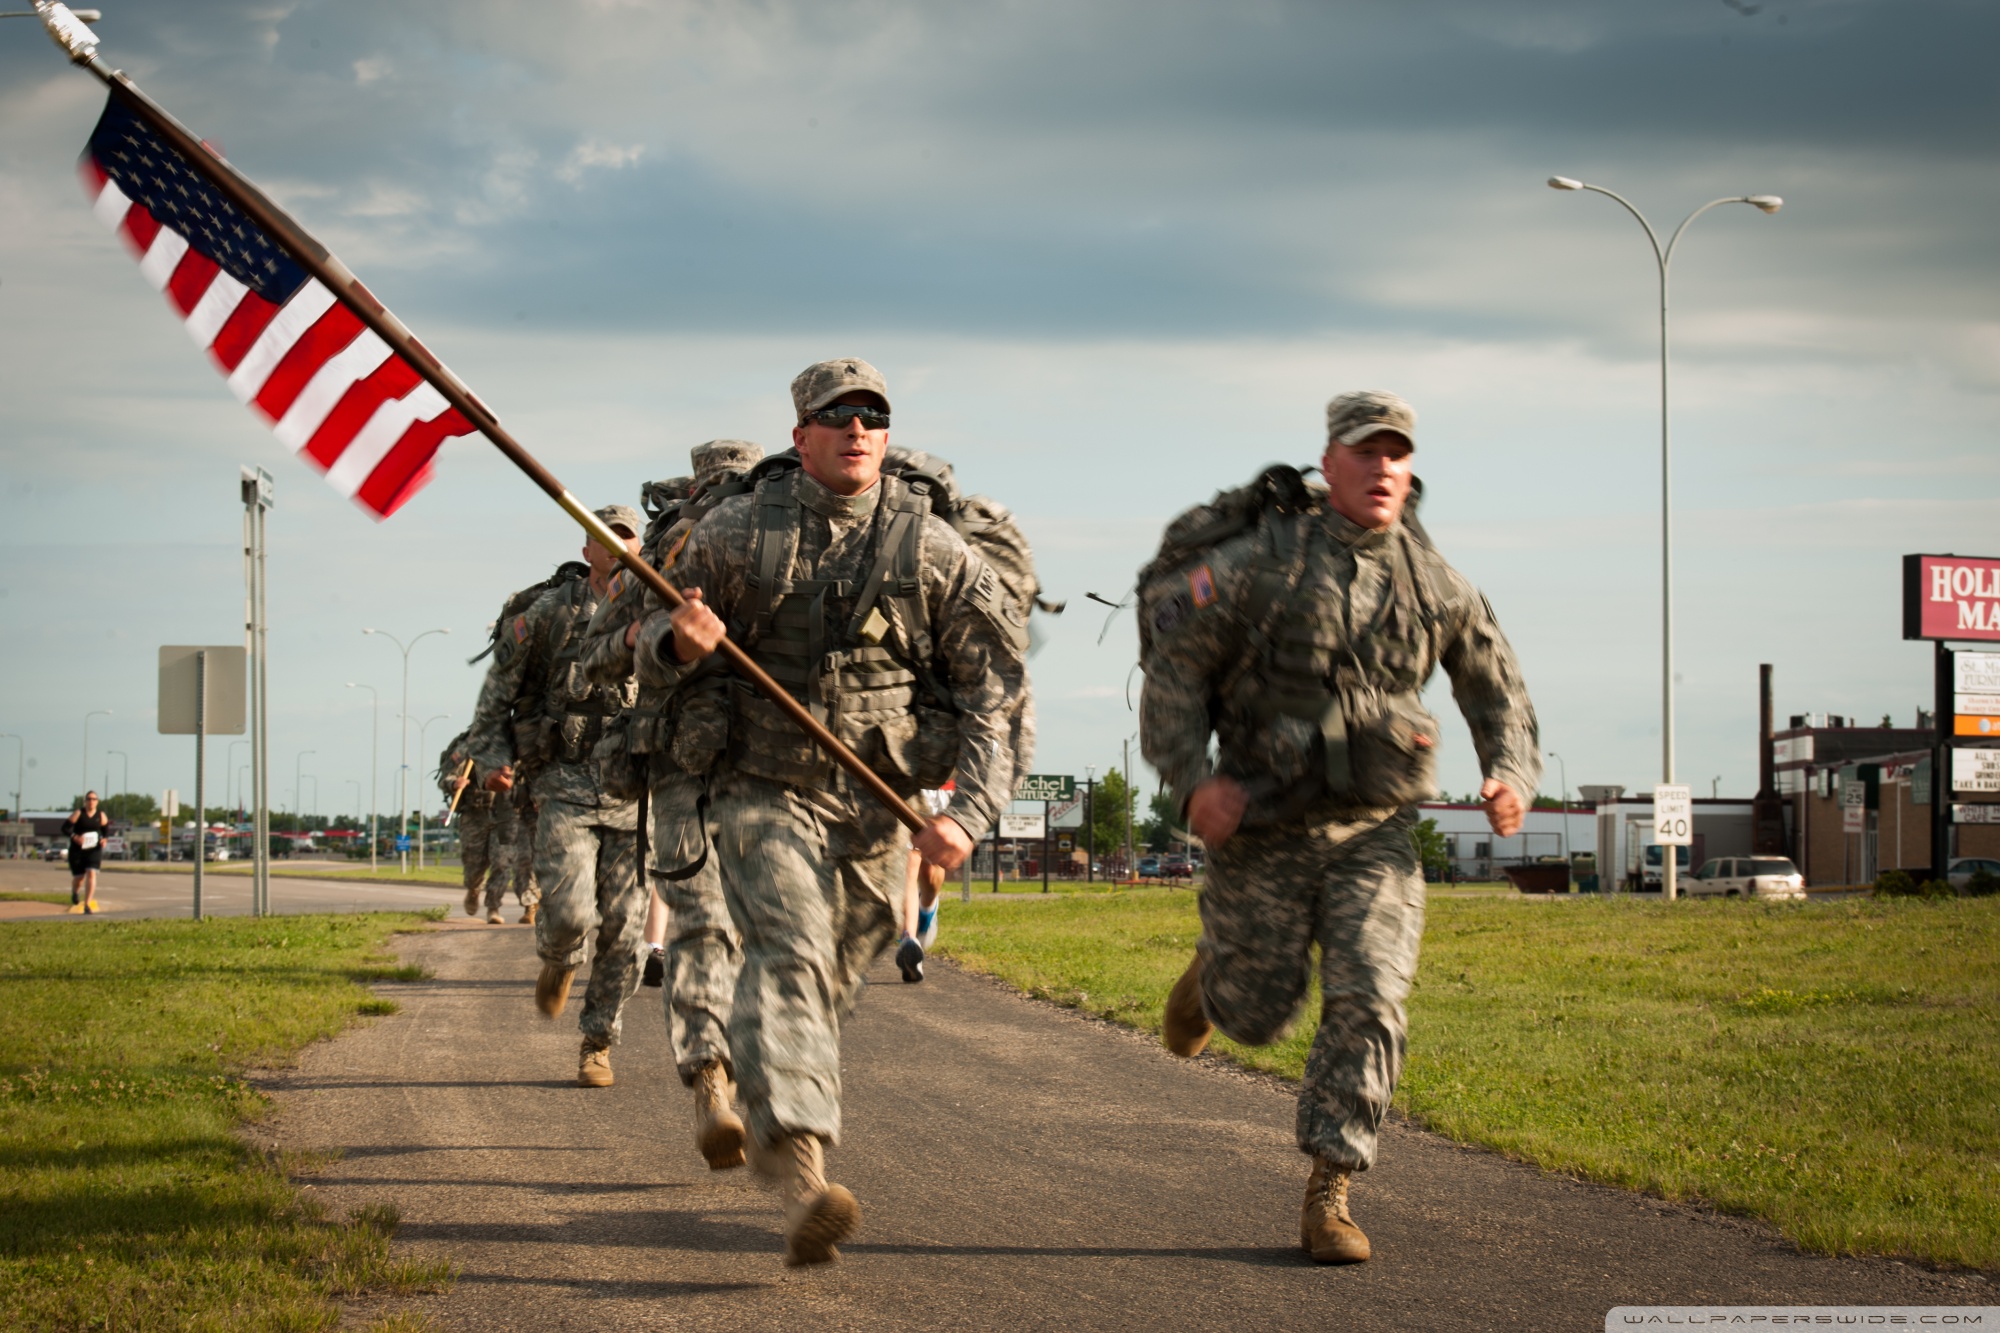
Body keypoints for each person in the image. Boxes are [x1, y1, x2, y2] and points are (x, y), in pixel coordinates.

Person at [630, 358, 1029, 1265]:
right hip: (760, 790)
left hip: (875, 806)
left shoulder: (934, 550)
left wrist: (966, 816)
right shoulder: (732, 534)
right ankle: (805, 1167)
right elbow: (642, 643)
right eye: (837, 415)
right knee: (793, 948)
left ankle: (766, 1103)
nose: (857, 428)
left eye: (873, 416)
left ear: (886, 437)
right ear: (800, 434)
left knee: (826, 979)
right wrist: (676, 641)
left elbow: (994, 696)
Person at [1138, 389, 1540, 1265]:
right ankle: (1215, 976)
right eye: (1366, 451)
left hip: (1374, 830)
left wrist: (1511, 768)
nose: (1383, 466)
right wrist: (1193, 779)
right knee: (1255, 1016)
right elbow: (1175, 669)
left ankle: (1331, 1188)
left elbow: (1493, 682)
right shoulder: (1258, 565)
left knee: (1371, 994)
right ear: (1329, 463)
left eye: (1397, 453)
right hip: (1263, 825)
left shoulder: (1437, 584)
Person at [580, 439, 766, 1172]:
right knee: (702, 918)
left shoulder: (793, 546)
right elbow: (598, 651)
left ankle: (756, 1080)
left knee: (773, 936)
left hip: (779, 772)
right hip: (687, 766)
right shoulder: (664, 554)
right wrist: (658, 635)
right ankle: (711, 1080)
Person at [466, 505, 645, 1088]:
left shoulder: (660, 609)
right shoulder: (548, 612)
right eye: (605, 538)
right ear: (587, 548)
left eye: (627, 538)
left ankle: (597, 1042)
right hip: (564, 785)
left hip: (635, 791)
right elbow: (499, 690)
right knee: (569, 913)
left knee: (627, 929)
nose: (616, 548)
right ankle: (560, 959)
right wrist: (492, 760)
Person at [894, 786, 953, 982]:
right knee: (910, 862)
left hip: (945, 787)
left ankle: (927, 910)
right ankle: (909, 941)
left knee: (930, 870)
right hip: (913, 784)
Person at [63, 791, 111, 913]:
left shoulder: (101, 815)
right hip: (77, 850)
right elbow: (64, 828)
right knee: (79, 878)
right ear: (85, 801)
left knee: (91, 873)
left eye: (94, 799)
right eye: (89, 799)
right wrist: (75, 837)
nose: (91, 801)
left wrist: (104, 839)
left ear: (97, 801)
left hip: (94, 850)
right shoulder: (79, 813)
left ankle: (87, 904)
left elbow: (106, 830)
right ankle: (75, 892)